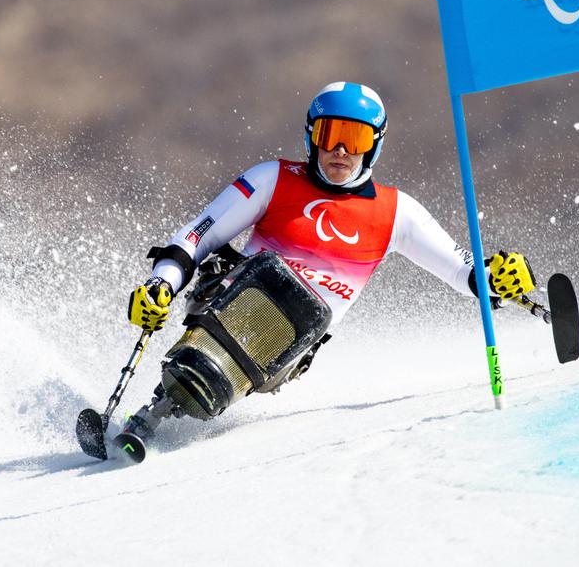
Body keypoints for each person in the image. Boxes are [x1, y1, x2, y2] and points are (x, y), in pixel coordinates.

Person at [122, 81, 534, 441]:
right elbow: (196, 236)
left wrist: (499, 278)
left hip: (287, 344)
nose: (339, 150)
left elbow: (465, 273)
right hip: (228, 306)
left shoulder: (397, 212)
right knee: (264, 274)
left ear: (374, 145)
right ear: (311, 137)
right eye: (329, 134)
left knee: (300, 305)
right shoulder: (273, 178)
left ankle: (178, 400)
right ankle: (162, 404)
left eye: (354, 139)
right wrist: (161, 283)